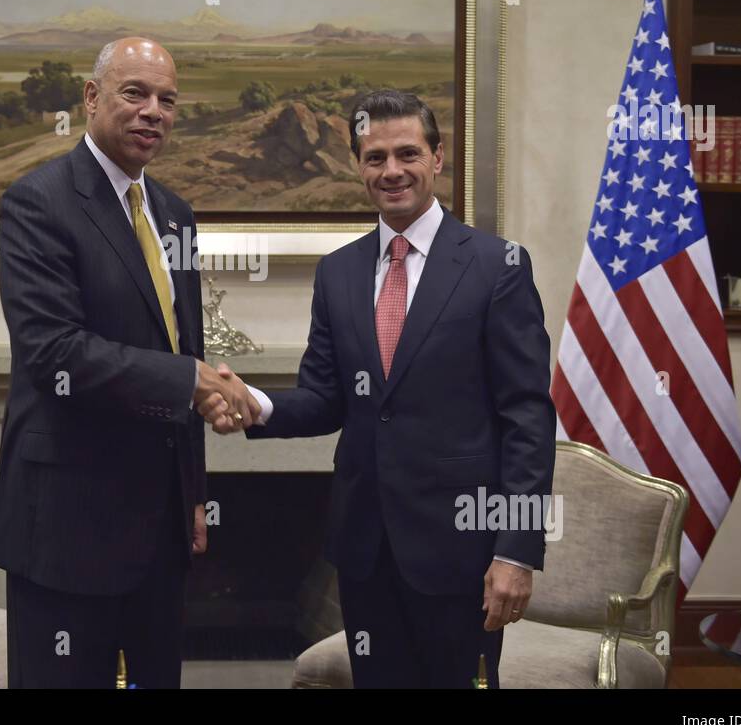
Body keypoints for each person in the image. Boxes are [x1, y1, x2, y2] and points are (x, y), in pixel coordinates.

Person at [201, 89, 555, 688]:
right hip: (366, 551)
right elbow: (324, 397)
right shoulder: (337, 271)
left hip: (461, 552)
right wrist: (252, 404)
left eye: (407, 153)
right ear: (358, 165)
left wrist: (516, 551)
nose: (391, 171)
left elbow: (528, 418)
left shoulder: (498, 267)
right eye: (374, 157)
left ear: (437, 158)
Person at [0, 37, 258, 688]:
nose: (153, 112)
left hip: (160, 528)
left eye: (168, 100)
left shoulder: (175, 214)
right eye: (135, 93)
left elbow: (182, 349)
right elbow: (54, 350)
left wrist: (192, 492)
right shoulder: (37, 202)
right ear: (91, 97)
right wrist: (190, 379)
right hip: (67, 526)